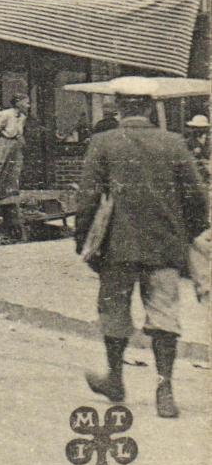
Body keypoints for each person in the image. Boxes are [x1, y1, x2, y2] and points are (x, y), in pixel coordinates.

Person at [75, 88, 208, 419]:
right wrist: (184, 235)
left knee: (114, 312)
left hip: (116, 248)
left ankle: (115, 379)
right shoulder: (174, 143)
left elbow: (88, 197)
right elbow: (197, 200)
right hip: (164, 247)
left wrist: (84, 242)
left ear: (119, 108)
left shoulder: (103, 143)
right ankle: (165, 389)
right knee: (164, 315)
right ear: (149, 109)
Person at [0, 94, 31, 240]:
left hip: (15, 145)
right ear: (18, 103)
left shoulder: (23, 117)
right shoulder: (5, 114)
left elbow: (19, 132)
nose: (28, 106)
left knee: (13, 173)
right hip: (3, 143)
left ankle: (8, 196)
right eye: (26, 103)